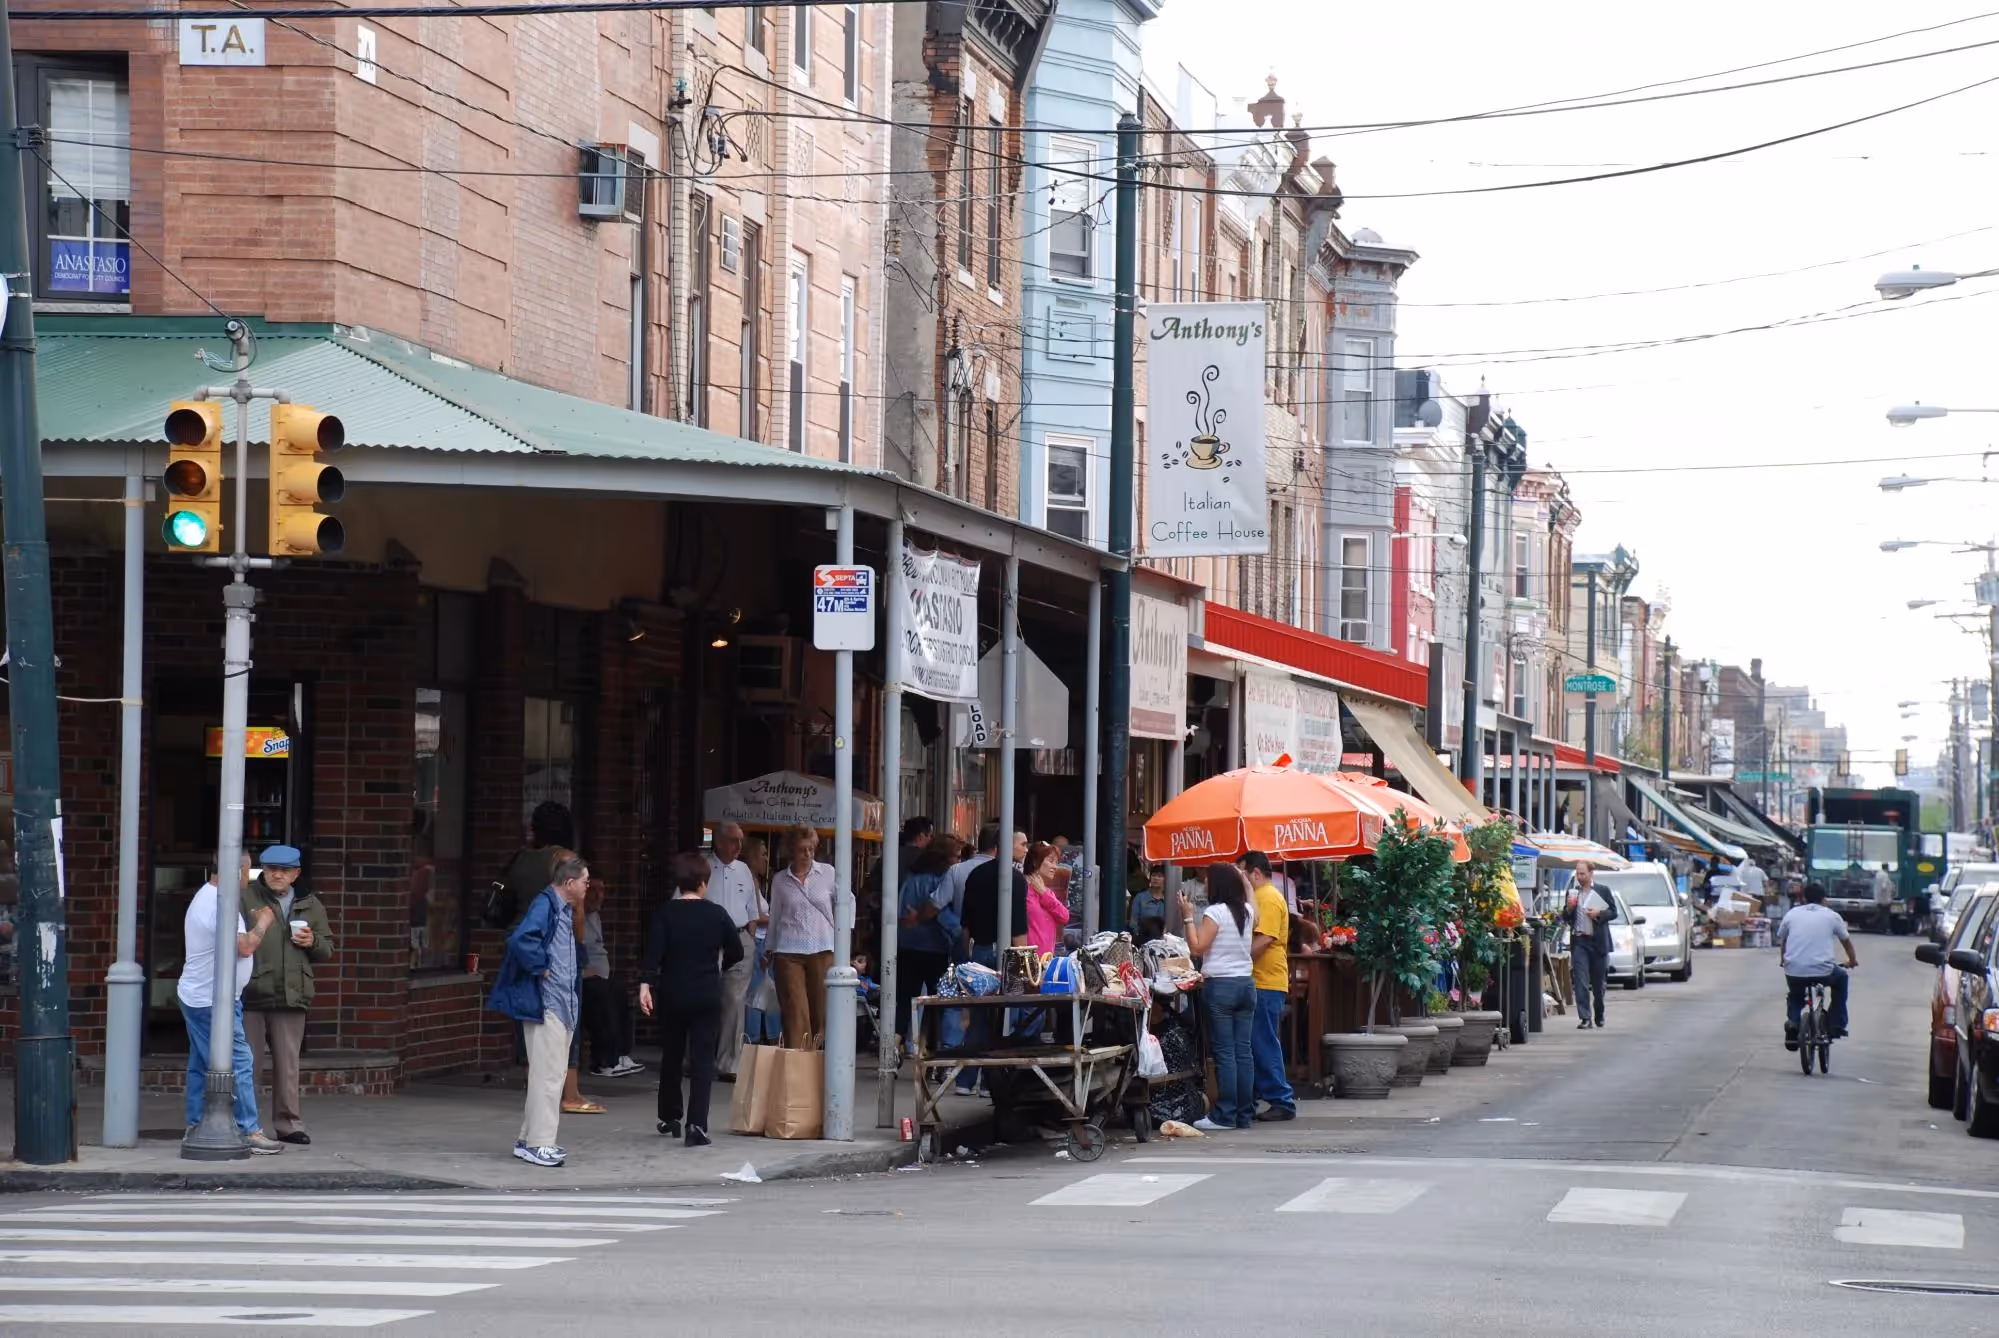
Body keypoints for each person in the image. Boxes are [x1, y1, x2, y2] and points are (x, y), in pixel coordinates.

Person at [488, 849, 591, 1168]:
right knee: (548, 1076)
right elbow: (521, 939)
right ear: (570, 882)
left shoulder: (556, 906)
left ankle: (529, 1139)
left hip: (558, 1002)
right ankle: (540, 1143)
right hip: (548, 1001)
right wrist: (541, 966)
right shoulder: (546, 905)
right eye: (585, 881)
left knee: (550, 1074)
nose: (589, 886)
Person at [180, 853, 286, 1155]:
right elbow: (244, 946)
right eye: (246, 870)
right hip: (212, 1001)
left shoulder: (210, 897)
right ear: (235, 872)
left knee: (202, 1063)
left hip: (206, 997)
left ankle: (196, 1122)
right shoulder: (220, 904)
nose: (248, 876)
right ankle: (249, 1129)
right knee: (239, 1062)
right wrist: (264, 921)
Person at [640, 851, 745, 1146]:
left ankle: (669, 1115)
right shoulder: (717, 914)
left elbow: (653, 954)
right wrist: (719, 963)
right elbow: (736, 950)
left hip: (673, 993)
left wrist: (645, 985)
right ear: (703, 882)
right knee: (702, 1060)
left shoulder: (665, 913)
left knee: (672, 1055)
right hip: (706, 993)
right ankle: (696, 1125)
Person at [241, 844, 334, 1146]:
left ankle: (288, 1124)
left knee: (288, 1064)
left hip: (292, 994)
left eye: (284, 870)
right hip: (252, 992)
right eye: (270, 869)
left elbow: (327, 950)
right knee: (247, 1064)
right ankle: (247, 1124)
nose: (276, 875)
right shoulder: (246, 898)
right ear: (263, 871)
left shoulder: (312, 904)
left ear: (296, 874)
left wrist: (313, 941)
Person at [1179, 863, 1257, 1131]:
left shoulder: (1215, 912)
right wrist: (1245, 881)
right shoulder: (1246, 912)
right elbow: (1253, 905)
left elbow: (1197, 947)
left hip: (1222, 986)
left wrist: (1188, 917)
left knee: (1225, 1053)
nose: (1206, 885)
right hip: (1246, 985)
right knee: (1243, 1052)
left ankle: (1225, 1115)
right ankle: (1244, 1114)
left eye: (1209, 881)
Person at [766, 825, 836, 1049]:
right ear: (791, 851)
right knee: (796, 1012)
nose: (807, 855)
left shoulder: (828, 873)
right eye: (802, 850)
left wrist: (846, 936)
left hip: (822, 948)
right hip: (788, 950)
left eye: (811, 850)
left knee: (820, 1014)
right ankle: (796, 1066)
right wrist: (770, 948)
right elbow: (775, 914)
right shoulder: (779, 880)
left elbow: (848, 902)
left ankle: (816, 1065)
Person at [705, 823, 766, 1080]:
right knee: (704, 999)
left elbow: (753, 911)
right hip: (707, 940)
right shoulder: (703, 867)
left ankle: (729, 1063)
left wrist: (749, 940)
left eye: (740, 841)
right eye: (733, 841)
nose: (739, 846)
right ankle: (696, 1057)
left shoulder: (744, 871)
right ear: (718, 842)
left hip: (739, 938)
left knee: (734, 1000)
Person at [1240, 851, 1296, 1122]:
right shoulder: (1260, 897)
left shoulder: (1269, 898)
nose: (1241, 880)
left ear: (1256, 873)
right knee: (1254, 1042)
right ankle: (1251, 1098)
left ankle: (1281, 1099)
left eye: (1242, 874)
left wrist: (1238, 956)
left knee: (1262, 1041)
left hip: (1266, 979)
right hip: (1261, 979)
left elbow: (1265, 940)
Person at [895, 837, 961, 1042]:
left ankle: (895, 1044)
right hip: (935, 947)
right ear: (944, 857)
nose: (959, 861)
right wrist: (960, 933)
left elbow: (900, 911)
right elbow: (942, 914)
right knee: (935, 1001)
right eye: (956, 856)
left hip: (908, 945)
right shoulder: (941, 880)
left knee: (905, 999)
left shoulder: (911, 879)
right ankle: (929, 1048)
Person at [1778, 881, 1857, 1046]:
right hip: (1823, 971)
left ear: (1804, 898)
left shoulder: (1792, 914)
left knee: (1795, 995)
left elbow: (1783, 940)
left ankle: (1793, 1022)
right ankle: (1837, 1024)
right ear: (1824, 899)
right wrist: (1852, 960)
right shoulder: (1832, 915)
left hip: (1794, 969)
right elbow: (1846, 942)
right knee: (1841, 979)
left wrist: (1783, 959)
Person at [580, 879, 644, 1078]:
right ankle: (604, 1061)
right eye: (593, 890)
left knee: (622, 994)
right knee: (605, 1000)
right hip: (585, 976)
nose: (599, 895)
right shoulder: (576, 916)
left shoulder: (594, 915)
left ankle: (621, 1054)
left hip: (601, 975)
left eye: (602, 890)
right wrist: (585, 971)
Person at [961, 823, 1030, 965]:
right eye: (1022, 845)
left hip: (978, 950)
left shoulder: (976, 873)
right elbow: (1018, 925)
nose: (1026, 850)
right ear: (1006, 844)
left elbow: (966, 921)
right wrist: (1024, 961)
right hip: (1006, 953)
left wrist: (965, 956)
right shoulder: (1015, 878)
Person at [742, 836, 782, 1045]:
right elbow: (755, 915)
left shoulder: (753, 879)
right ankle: (753, 1039)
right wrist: (778, 917)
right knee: (756, 996)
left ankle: (769, 1037)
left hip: (762, 943)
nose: (766, 859)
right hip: (757, 943)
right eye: (763, 854)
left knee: (765, 993)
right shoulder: (750, 879)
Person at [1567, 863, 1612, 1030]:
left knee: (1598, 985)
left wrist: (1598, 913)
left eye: (1583, 874)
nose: (1580, 877)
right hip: (1580, 942)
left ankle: (1599, 1013)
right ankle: (1585, 1018)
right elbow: (1566, 917)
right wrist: (1569, 909)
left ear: (1591, 873)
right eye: (1578, 874)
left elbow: (1613, 912)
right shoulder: (1573, 893)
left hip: (1598, 943)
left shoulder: (1602, 890)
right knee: (1580, 982)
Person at [1023, 841, 1070, 956]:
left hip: (1047, 960)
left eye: (1056, 862)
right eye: (1050, 861)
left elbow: (1065, 917)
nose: (1055, 867)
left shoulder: (1047, 892)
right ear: (1035, 862)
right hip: (1027, 960)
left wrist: (1044, 893)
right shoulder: (1023, 889)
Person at [1127, 865, 1168, 930]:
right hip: (1144, 937)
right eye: (1153, 875)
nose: (1156, 878)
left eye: (1159, 876)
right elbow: (1133, 923)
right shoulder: (1140, 897)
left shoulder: (1169, 899)